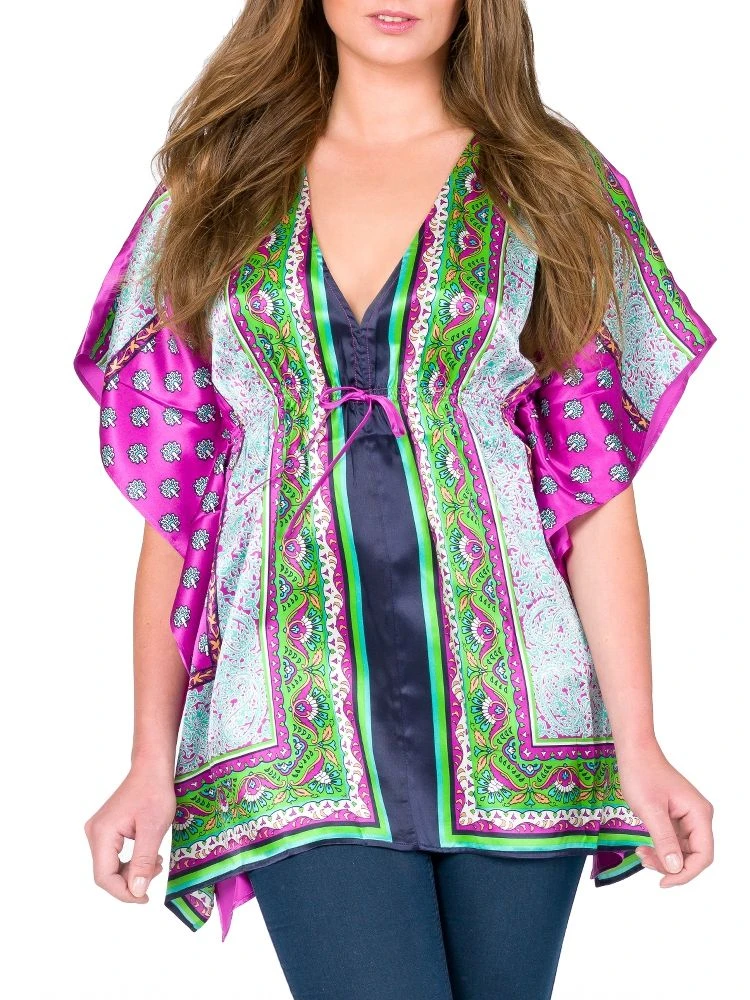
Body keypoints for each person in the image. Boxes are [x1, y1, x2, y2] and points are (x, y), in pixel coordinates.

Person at [73, 1, 716, 997]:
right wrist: (148, 757)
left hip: (515, 710)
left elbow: (593, 488)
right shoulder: (216, 189)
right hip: (290, 706)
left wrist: (641, 742)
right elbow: (181, 501)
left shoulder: (550, 184)